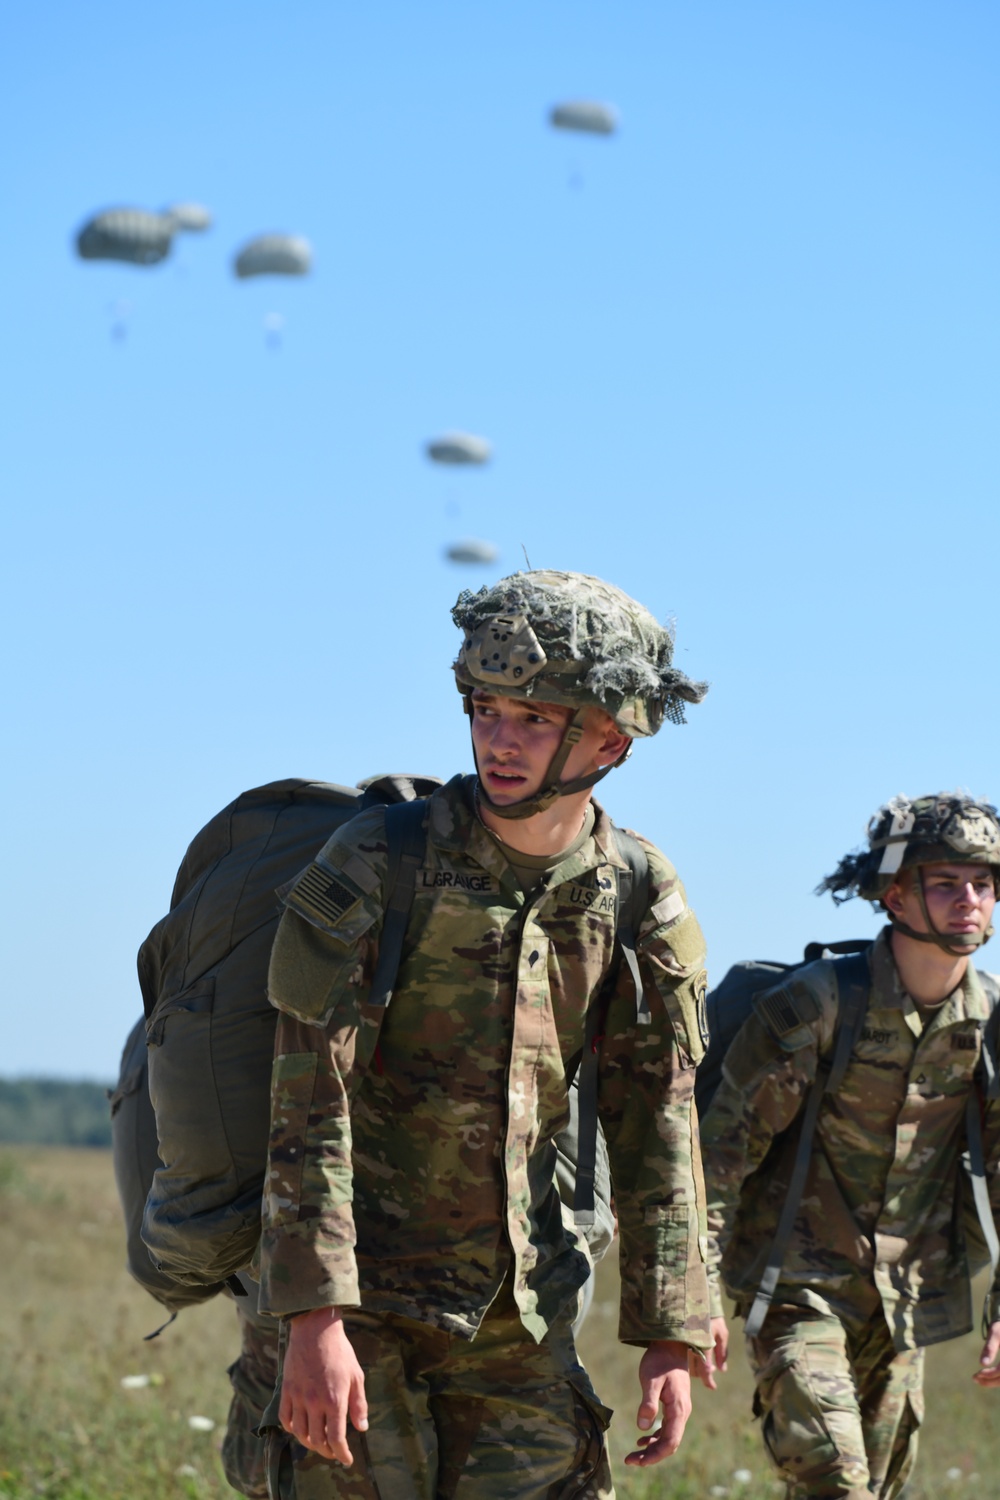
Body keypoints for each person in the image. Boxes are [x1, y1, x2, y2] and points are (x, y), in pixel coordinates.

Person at [253, 570, 714, 1498]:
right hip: (360, 1301)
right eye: (486, 708)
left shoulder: (636, 890)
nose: (500, 741)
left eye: (537, 719)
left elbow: (658, 1116)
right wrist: (310, 1321)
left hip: (519, 1311)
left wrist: (674, 1326)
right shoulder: (379, 859)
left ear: (612, 742)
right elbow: (310, 1097)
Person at [700, 793, 1000, 1500]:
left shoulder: (990, 1025)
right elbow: (720, 1157)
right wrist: (691, 1299)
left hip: (905, 1305)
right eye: (945, 882)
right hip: (795, 1293)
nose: (970, 901)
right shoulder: (819, 1004)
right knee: (837, 1484)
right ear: (894, 895)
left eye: (984, 884)